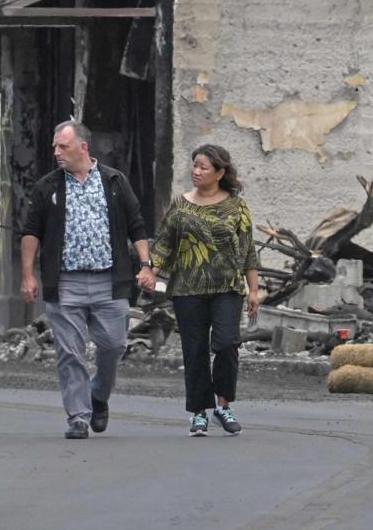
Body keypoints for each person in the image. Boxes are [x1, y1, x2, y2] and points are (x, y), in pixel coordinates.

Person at [21, 120, 153, 439]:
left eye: (62, 146)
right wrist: (27, 275)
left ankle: (98, 395)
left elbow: (136, 224)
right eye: (54, 146)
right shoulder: (48, 187)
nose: (56, 152)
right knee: (70, 351)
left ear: (83, 146)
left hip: (110, 280)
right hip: (65, 282)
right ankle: (78, 417)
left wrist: (147, 265)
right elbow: (31, 231)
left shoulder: (114, 181)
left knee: (114, 344)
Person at [151, 144, 258, 438]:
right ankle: (198, 413)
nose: (196, 172)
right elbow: (162, 245)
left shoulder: (237, 207)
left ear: (220, 173)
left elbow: (248, 251)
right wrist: (149, 270)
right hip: (187, 289)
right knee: (195, 350)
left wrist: (254, 290)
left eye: (203, 167)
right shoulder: (180, 206)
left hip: (227, 288)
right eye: (194, 165)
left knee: (227, 344)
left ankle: (223, 405)